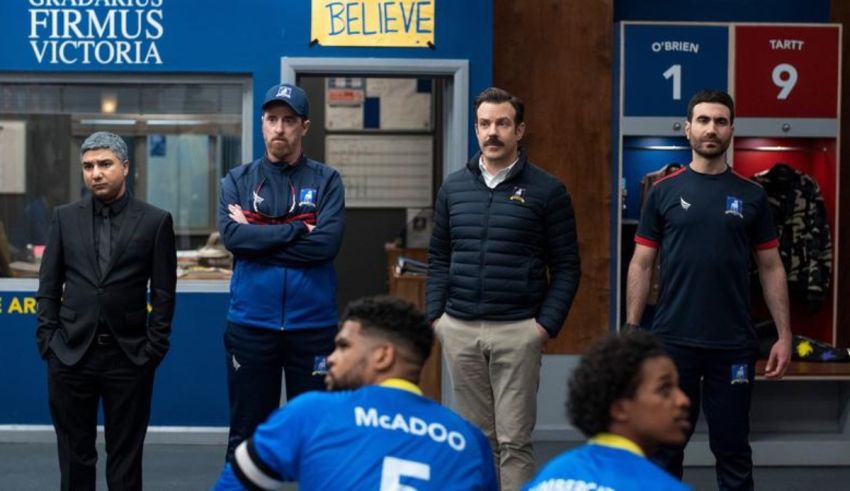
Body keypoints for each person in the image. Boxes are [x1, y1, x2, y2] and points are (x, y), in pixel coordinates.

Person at [625, 89, 792, 490]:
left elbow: (771, 266)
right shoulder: (663, 192)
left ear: (732, 129)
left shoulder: (752, 195)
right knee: (665, 449)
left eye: (720, 121)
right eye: (703, 120)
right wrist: (631, 330)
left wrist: (785, 335)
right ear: (688, 129)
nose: (711, 129)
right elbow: (642, 261)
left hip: (733, 343)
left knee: (733, 449)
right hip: (672, 340)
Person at [427, 87, 581, 490]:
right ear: (475, 129)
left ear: (519, 130)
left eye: (501, 123)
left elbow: (567, 266)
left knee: (514, 441)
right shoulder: (453, 188)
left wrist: (543, 327)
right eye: (484, 124)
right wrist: (436, 318)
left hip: (518, 331)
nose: (492, 132)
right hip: (459, 329)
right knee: (475, 441)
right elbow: (439, 257)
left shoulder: (548, 191)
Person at [214, 295, 498, 490]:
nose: (332, 358)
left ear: (383, 356)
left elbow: (234, 485)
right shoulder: (470, 441)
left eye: (344, 346)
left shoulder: (312, 412)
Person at [35, 131, 177, 490]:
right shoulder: (64, 218)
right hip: (70, 355)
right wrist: (48, 340)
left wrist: (154, 348)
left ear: (125, 167)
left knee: (125, 460)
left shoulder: (155, 221)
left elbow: (163, 293)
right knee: (74, 458)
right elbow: (48, 287)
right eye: (88, 166)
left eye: (104, 164)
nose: (95, 173)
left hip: (128, 356)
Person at [218, 82, 346, 462]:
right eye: (272, 119)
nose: (279, 128)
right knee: (247, 431)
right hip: (251, 326)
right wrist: (295, 229)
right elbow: (233, 239)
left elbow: (326, 245)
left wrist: (256, 233)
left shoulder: (327, 180)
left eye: (288, 120)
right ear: (262, 124)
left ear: (303, 127)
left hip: (314, 329)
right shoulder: (237, 180)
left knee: (316, 434)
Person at [523, 330, 692, 491]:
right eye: (664, 389)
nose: (683, 400)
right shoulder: (662, 487)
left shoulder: (547, 476)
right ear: (619, 409)